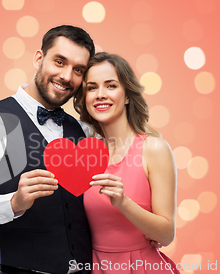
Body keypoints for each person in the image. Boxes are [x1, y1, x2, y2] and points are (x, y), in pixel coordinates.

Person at [0, 25, 96, 274]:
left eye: (77, 70)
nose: (67, 76)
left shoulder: (84, 131)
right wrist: (13, 203)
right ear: (39, 58)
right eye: (59, 62)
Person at [74, 52, 180, 273]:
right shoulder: (84, 153)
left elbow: (166, 234)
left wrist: (124, 202)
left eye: (111, 86)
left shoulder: (154, 149)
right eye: (92, 88)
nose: (100, 94)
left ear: (128, 95)